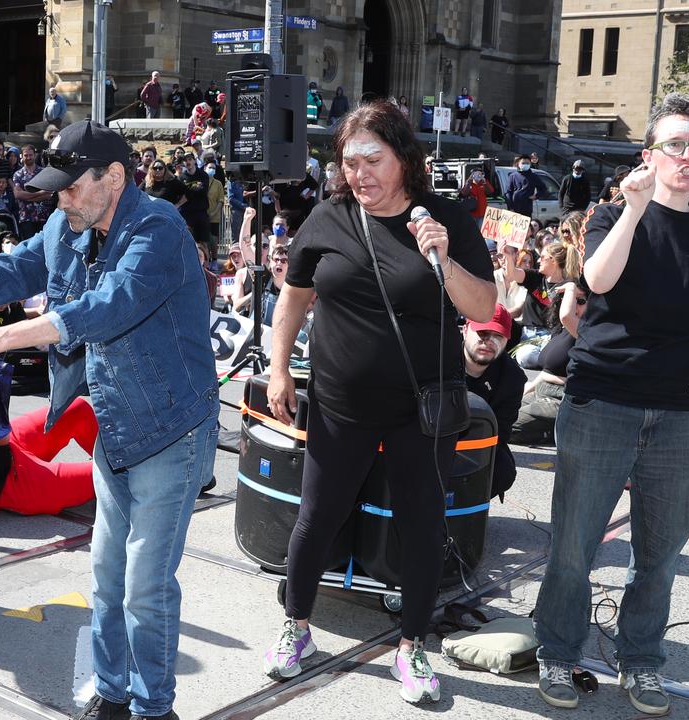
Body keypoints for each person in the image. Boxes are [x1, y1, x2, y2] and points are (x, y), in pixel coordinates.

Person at [0, 119, 219, 720]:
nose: (59, 199)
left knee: (145, 587)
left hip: (172, 430)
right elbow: (8, 271)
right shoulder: (67, 224)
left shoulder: (158, 227)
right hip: (116, 427)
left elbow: (107, 307)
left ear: (113, 178)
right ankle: (112, 696)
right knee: (107, 578)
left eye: (69, 186)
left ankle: (155, 710)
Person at [260, 100, 496, 703]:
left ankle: (412, 645)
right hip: (341, 402)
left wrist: (440, 259)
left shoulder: (443, 220)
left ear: (405, 160)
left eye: (374, 159)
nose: (359, 173)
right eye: (349, 161)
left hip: (424, 409)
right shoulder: (329, 217)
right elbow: (291, 303)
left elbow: (480, 308)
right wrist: (280, 368)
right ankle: (297, 625)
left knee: (422, 526)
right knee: (317, 516)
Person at [532, 93, 689, 715]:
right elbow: (596, 280)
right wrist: (634, 206)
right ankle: (558, 652)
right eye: (675, 144)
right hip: (603, 399)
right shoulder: (609, 215)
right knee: (575, 541)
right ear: (649, 155)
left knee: (661, 551)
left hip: (681, 411)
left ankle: (641, 660)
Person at [0, 397, 98, 516]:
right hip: (3, 481)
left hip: (2, 444)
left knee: (77, 407)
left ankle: (113, 456)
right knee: (111, 475)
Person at [512, 278, 588, 445]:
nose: (573, 305)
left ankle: (554, 434)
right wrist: (526, 390)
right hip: (542, 390)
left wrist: (570, 288)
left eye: (580, 300)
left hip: (562, 397)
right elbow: (548, 370)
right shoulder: (561, 330)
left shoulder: (587, 332)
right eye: (569, 299)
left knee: (508, 426)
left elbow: (567, 316)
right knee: (500, 411)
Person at [461, 304, 525, 499]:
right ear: (465, 330)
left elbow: (501, 432)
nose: (488, 341)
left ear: (507, 340)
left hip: (477, 443)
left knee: (503, 470)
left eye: (497, 336)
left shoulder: (512, 378)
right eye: (482, 333)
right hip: (429, 438)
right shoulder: (438, 357)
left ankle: (469, 512)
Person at [14, 144, 52, 240]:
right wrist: (39, 193)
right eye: (26, 155)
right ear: (22, 156)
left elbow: (48, 194)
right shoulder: (18, 174)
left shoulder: (44, 172)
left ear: (35, 155)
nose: (28, 157)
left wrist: (27, 196)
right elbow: (18, 194)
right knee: (29, 247)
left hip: (43, 216)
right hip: (26, 217)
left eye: (30, 155)